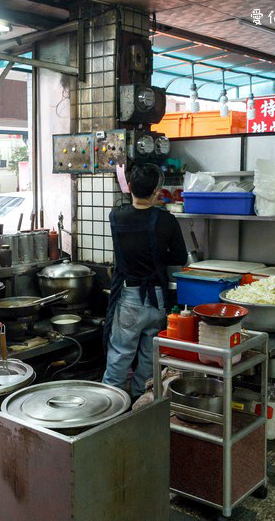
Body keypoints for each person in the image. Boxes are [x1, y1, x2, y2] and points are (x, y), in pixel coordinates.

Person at [102, 164, 188, 398]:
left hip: (130, 299)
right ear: (157, 192)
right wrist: (159, 258)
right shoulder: (167, 220)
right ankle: (141, 406)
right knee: (150, 359)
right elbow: (180, 257)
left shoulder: (116, 216)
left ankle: (110, 406)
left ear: (129, 187)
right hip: (158, 300)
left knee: (120, 354)